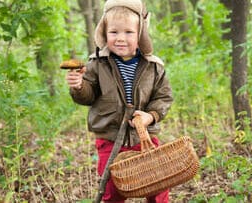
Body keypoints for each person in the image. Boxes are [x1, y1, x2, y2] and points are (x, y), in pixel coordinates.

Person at [65, 0, 173, 202]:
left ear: (140, 34)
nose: (120, 39)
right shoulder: (97, 64)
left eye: (129, 33)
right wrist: (79, 85)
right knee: (112, 190)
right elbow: (88, 96)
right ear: (104, 33)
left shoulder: (153, 66)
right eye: (114, 32)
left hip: (144, 137)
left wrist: (151, 116)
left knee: (158, 187)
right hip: (110, 137)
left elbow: (164, 96)